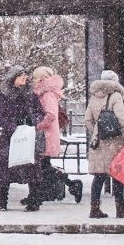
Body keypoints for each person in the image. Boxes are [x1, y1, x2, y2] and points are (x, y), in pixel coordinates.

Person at [83, 69, 124, 219]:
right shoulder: (115, 95)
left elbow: (87, 119)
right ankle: (120, 209)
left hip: (98, 142)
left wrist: (97, 131)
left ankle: (94, 209)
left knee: (99, 176)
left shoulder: (94, 96)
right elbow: (122, 118)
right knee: (117, 174)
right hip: (115, 142)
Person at [0, 66, 46, 212]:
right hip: (10, 136)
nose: (24, 78)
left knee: (32, 166)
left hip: (28, 135)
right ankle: (3, 202)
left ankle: (34, 201)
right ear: (13, 78)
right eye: (21, 75)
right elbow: (0, 116)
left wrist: (32, 121)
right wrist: (12, 127)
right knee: (6, 168)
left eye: (25, 75)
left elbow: (39, 112)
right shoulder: (5, 94)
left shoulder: (31, 94)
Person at [32, 66, 83, 203]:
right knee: (43, 165)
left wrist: (38, 126)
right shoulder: (45, 93)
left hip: (46, 135)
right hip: (46, 134)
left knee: (42, 166)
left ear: (42, 79)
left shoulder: (47, 94)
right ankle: (69, 185)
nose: (33, 80)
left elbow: (51, 115)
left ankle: (72, 184)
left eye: (35, 78)